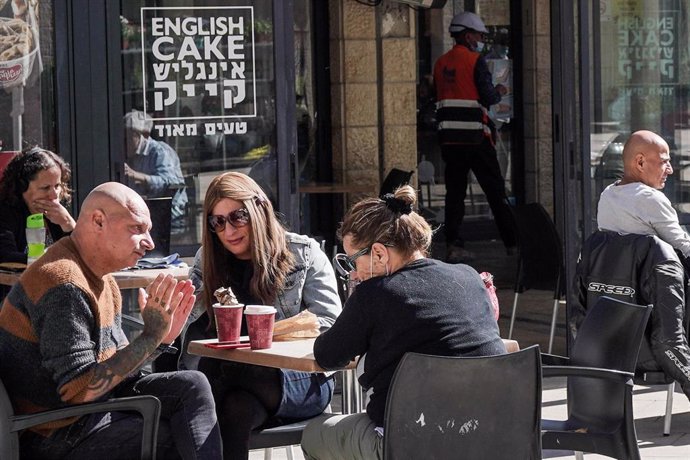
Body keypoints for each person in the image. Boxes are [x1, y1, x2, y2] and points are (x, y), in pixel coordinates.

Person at [0, 182, 222, 459]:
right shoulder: (63, 282)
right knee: (176, 438)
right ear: (98, 221)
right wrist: (150, 336)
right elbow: (79, 389)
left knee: (192, 384)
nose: (150, 243)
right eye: (137, 229)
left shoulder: (104, 279)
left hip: (87, 415)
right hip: (50, 434)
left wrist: (160, 340)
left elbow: (116, 369)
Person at [301, 185, 506, 460]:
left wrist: (356, 301)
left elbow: (327, 355)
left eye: (352, 261)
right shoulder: (469, 277)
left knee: (315, 434)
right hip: (489, 436)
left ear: (379, 254)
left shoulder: (375, 293)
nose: (353, 271)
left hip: (409, 444)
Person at [178, 171, 341, 459]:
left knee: (214, 377)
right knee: (234, 408)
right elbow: (187, 324)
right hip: (238, 387)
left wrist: (271, 340)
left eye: (238, 217)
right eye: (218, 222)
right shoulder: (210, 259)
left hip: (302, 380)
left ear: (259, 209)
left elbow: (330, 327)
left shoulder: (302, 253)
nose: (229, 230)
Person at [433, 11, 516, 263]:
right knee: (495, 190)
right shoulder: (474, 60)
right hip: (476, 138)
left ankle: (453, 244)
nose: (480, 39)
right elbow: (488, 97)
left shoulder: (440, 63)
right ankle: (513, 242)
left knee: (454, 193)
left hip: (450, 139)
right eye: (479, 35)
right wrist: (500, 90)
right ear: (467, 36)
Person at [597, 130, 690, 265]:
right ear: (640, 162)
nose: (670, 170)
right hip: (652, 283)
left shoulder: (607, 195)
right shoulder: (649, 198)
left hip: (618, 281)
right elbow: (683, 248)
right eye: (664, 161)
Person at [0, 147, 75, 264]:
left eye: (57, 186)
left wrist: (68, 224)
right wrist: (51, 258)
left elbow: (85, 255)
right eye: (45, 188)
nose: (54, 195)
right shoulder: (5, 214)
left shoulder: (57, 215)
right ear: (22, 187)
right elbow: (6, 256)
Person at [124, 109, 188, 230]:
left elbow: (170, 183)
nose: (124, 143)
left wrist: (136, 175)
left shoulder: (160, 151)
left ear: (139, 136)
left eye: (128, 137)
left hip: (170, 217)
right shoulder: (131, 156)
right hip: (144, 215)